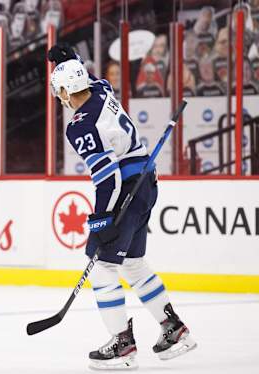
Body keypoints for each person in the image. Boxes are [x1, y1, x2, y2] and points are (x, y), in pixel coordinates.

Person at [47, 44, 196, 370]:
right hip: (146, 185)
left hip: (126, 188)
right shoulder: (101, 89)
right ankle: (174, 329)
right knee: (133, 264)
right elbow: (86, 77)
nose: (59, 97)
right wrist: (68, 62)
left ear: (68, 90)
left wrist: (102, 220)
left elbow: (109, 178)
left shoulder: (79, 126)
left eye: (60, 90)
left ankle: (122, 345)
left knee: (102, 269)